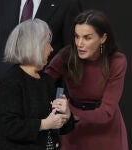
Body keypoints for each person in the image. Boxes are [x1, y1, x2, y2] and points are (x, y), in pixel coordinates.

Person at [0, 0, 82, 142]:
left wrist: (67, 115)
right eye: (47, 43)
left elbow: (71, 61)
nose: (52, 49)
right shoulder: (9, 83)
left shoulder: (47, 82)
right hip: (7, 132)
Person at [44, 9, 129, 150]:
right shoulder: (66, 56)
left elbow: (106, 112)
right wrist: (8, 91)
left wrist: (71, 114)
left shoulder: (117, 61)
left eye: (87, 38)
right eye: (77, 36)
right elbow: (39, 82)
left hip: (107, 133)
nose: (79, 44)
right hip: (73, 130)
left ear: (103, 38)